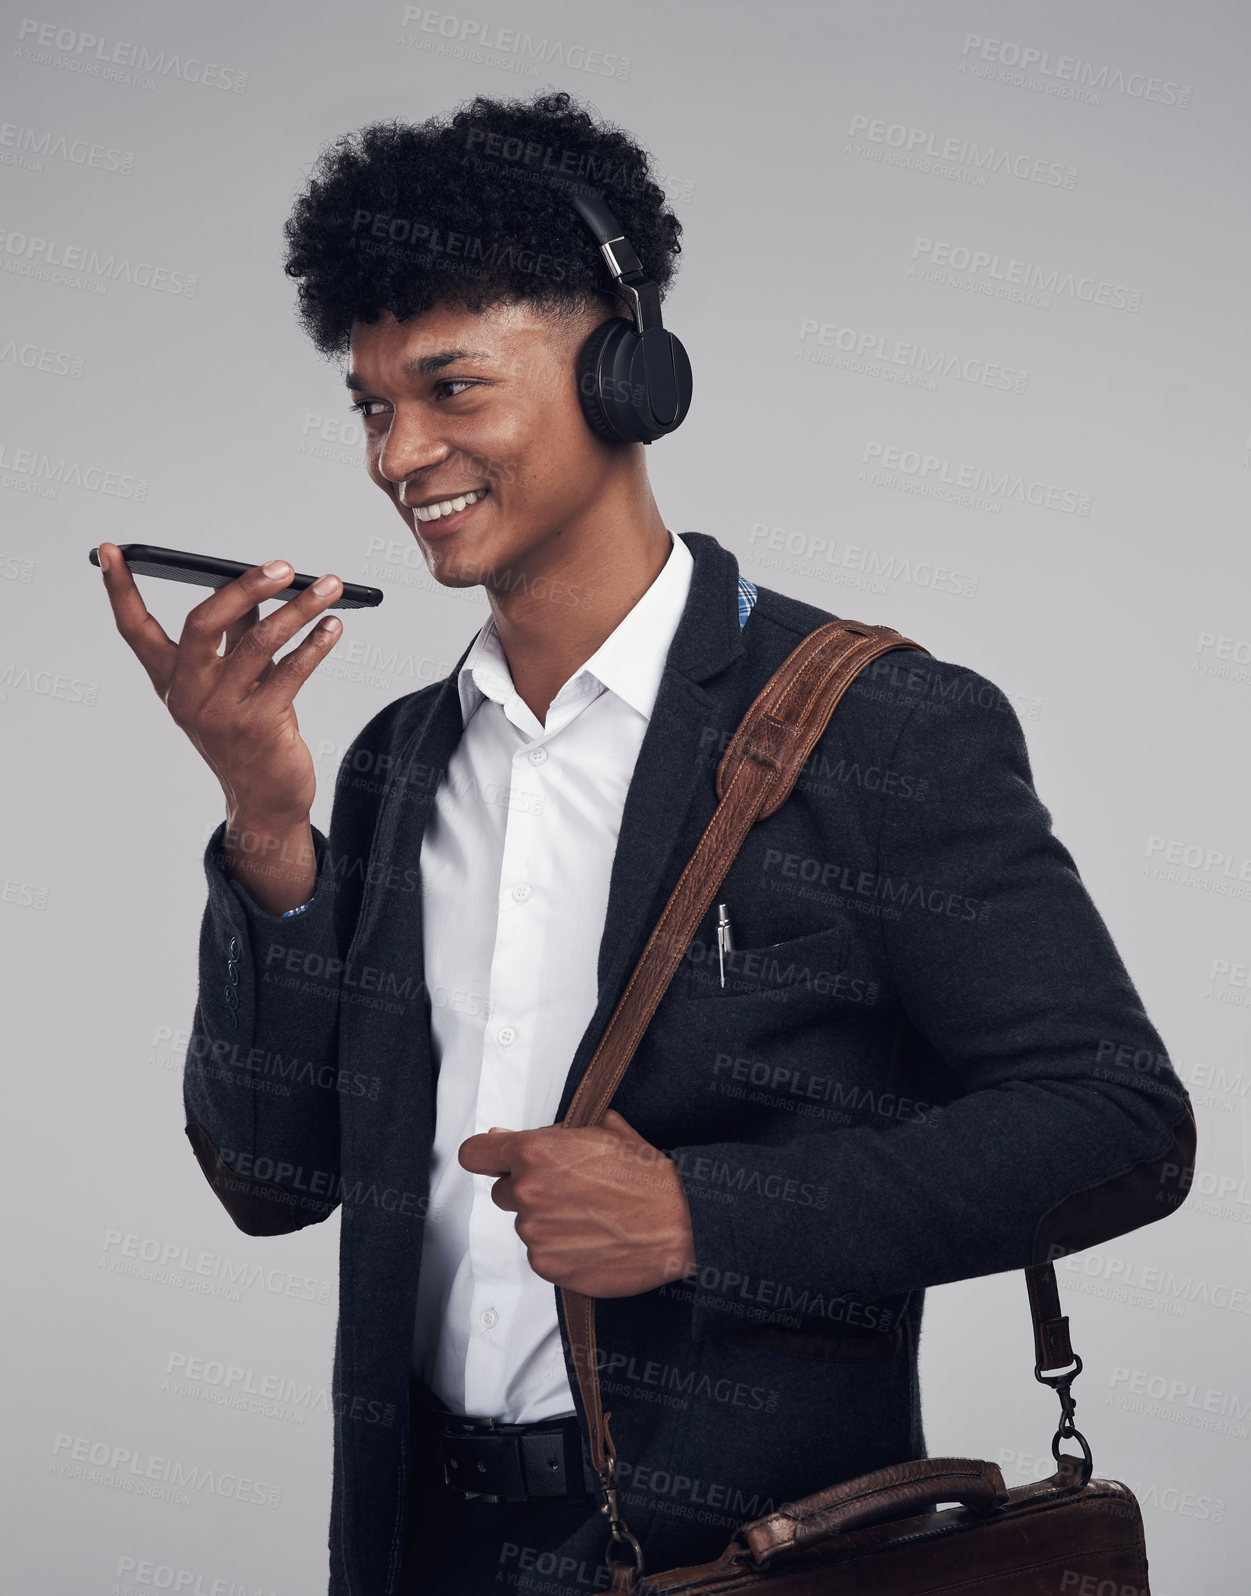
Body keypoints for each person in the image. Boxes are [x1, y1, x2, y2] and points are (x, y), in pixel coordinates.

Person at [98, 89, 1196, 1596]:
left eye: (453, 389)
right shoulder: (403, 758)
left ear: (626, 375)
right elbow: (272, 1180)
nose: (397, 453)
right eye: (370, 404)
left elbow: (1117, 1120)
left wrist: (701, 1217)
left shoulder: (878, 728)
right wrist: (267, 826)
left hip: (751, 1552)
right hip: (421, 1542)